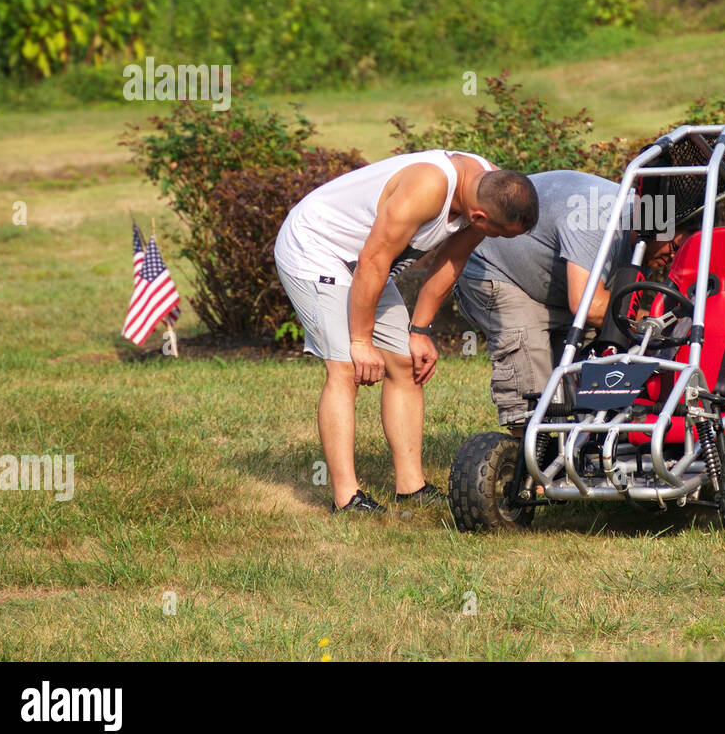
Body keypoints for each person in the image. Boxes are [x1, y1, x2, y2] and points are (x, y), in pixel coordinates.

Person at [274, 150, 537, 513]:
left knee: (405, 363)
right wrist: (361, 341)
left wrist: (419, 330)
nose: (499, 241)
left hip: (367, 263)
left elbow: (451, 260)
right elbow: (373, 260)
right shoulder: (427, 187)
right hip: (317, 249)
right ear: (480, 217)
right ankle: (346, 498)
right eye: (500, 236)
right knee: (346, 367)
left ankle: (411, 487)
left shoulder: (489, 188)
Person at [454, 170, 692, 428]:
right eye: (676, 247)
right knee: (534, 381)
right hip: (497, 270)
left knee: (577, 379)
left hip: (555, 283)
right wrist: (656, 326)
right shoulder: (597, 219)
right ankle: (522, 454)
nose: (673, 258)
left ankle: (574, 450)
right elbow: (588, 306)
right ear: (656, 223)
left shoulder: (645, 242)